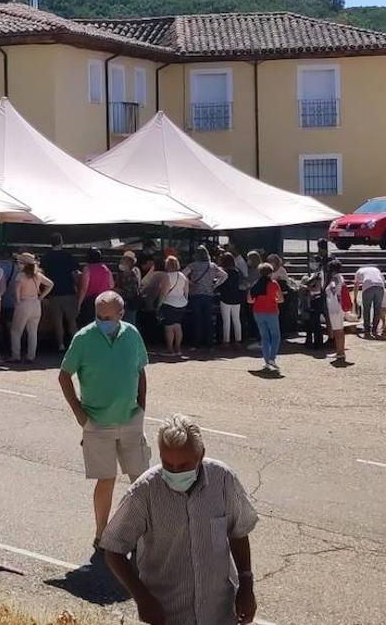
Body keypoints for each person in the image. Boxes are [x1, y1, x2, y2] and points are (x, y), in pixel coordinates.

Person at [101, 415, 258, 625]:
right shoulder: (144, 492)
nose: (175, 472)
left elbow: (239, 531)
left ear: (201, 455)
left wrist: (246, 585)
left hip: (219, 613)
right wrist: (142, 598)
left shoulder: (223, 480)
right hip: (167, 615)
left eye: (184, 465)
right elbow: (113, 548)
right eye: (168, 464)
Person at [58, 291, 151, 548]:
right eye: (99, 316)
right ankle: (102, 533)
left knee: (141, 478)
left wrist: (142, 406)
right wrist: (80, 414)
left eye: (108, 317)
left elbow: (140, 371)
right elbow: (64, 375)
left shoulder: (131, 333)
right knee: (106, 479)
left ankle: (146, 532)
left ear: (121, 315)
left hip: (131, 419)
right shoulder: (84, 338)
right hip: (97, 423)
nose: (103, 321)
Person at [10, 253, 53, 363]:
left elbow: (17, 293)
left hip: (24, 304)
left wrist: (18, 302)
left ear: (24, 264)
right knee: (33, 332)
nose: (18, 264)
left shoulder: (20, 276)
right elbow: (50, 284)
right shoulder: (38, 275)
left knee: (16, 331)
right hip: (36, 304)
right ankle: (31, 356)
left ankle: (16, 356)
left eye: (19, 262)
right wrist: (41, 296)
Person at [42, 232, 80, 352]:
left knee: (57, 322)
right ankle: (75, 344)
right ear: (61, 241)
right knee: (71, 320)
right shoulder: (68, 256)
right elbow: (74, 274)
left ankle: (61, 344)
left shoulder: (46, 257)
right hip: (68, 292)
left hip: (53, 293)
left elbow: (42, 274)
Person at [186, 246, 227, 350]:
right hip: (209, 295)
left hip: (195, 294)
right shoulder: (212, 266)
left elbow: (182, 274)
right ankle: (210, 344)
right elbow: (224, 275)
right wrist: (215, 285)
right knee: (208, 320)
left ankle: (196, 344)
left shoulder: (193, 265)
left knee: (196, 319)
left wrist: (191, 283)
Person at [248, 263, 284, 373]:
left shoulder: (255, 284)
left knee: (264, 336)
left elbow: (249, 300)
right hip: (271, 311)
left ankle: (267, 360)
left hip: (258, 311)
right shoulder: (274, 284)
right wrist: (274, 300)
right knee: (275, 335)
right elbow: (281, 299)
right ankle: (272, 358)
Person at [157, 255, 190, 356]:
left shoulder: (166, 277)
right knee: (177, 326)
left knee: (169, 327)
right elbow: (186, 291)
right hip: (182, 303)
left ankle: (169, 349)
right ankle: (178, 348)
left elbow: (163, 293)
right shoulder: (183, 276)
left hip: (169, 303)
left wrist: (158, 305)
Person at [77, 248, 115, 328]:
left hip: (90, 302)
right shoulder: (106, 269)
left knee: (90, 325)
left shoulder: (87, 269)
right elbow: (111, 285)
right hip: (104, 300)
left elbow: (84, 288)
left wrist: (79, 304)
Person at [353, 263, 386, 339]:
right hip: (380, 286)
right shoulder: (376, 270)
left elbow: (356, 285)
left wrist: (355, 298)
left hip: (368, 286)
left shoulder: (359, 271)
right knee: (377, 309)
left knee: (366, 309)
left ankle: (367, 331)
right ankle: (375, 330)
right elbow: (383, 280)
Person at [217, 252, 244, 345]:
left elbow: (220, 284)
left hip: (225, 297)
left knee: (226, 320)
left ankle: (226, 340)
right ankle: (238, 340)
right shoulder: (237, 271)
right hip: (236, 297)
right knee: (237, 319)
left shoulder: (223, 272)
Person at [325, 260, 348, 364]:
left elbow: (333, 289)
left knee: (337, 331)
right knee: (340, 330)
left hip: (335, 307)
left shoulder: (334, 278)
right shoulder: (340, 277)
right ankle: (340, 351)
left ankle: (340, 352)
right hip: (339, 306)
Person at [116, 251, 142, 324]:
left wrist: (118, 291)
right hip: (130, 302)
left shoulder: (130, 274)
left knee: (129, 323)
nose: (121, 261)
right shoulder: (133, 271)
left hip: (129, 303)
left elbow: (131, 291)